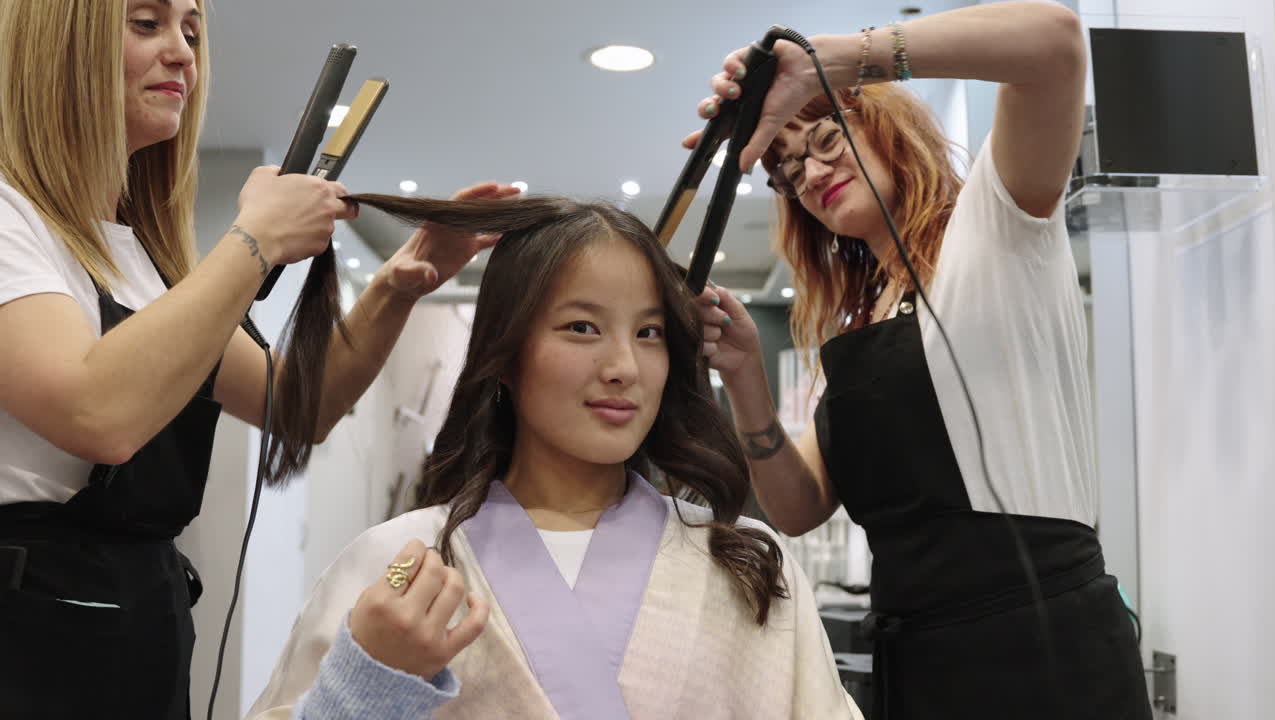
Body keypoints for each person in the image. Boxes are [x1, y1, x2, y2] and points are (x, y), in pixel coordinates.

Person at [0, 2, 513, 717]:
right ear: (59, 42)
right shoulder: (9, 221)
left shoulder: (143, 260)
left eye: (191, 30)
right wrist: (254, 240)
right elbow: (96, 413)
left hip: (140, 626)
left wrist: (398, 286)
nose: (183, 52)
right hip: (30, 641)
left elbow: (300, 404)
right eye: (144, 23)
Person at [687, 3, 1152, 718]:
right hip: (920, 660)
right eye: (789, 169)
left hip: (1046, 649)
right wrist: (745, 377)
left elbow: (1054, 42)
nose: (809, 173)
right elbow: (798, 504)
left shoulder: (998, 227)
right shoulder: (861, 322)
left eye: (823, 139)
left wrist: (831, 62)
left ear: (882, 125)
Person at [247, 194, 863, 720]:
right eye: (582, 328)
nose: (624, 367)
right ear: (506, 353)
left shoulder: (749, 566)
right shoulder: (399, 562)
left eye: (649, 333)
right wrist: (364, 684)